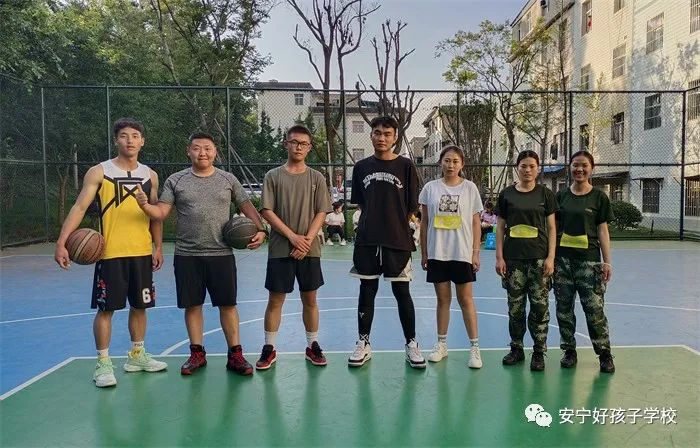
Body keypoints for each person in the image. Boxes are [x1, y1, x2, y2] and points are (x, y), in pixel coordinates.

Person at [134, 132, 266, 376]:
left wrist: (261, 229)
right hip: (187, 255)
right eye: (196, 148)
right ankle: (197, 354)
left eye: (207, 148)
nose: (202, 152)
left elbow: (246, 205)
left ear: (215, 152)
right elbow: (161, 213)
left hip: (221, 254)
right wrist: (144, 205)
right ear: (189, 151)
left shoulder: (228, 179)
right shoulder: (176, 180)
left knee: (228, 305)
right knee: (193, 306)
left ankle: (235, 355)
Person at [54, 118, 166, 388]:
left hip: (141, 252)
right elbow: (80, 207)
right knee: (107, 310)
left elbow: (155, 216)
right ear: (116, 140)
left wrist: (158, 247)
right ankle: (103, 363)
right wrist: (62, 242)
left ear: (142, 141)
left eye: (135, 135)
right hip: (110, 253)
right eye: (124, 135)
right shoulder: (99, 172)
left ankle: (136, 356)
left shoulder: (150, 175)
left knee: (140, 306)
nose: (130, 140)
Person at [347, 116, 425, 369]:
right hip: (368, 240)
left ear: (395, 137)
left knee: (402, 292)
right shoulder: (361, 167)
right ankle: (363, 343)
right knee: (366, 290)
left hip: (397, 240)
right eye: (377, 133)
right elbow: (361, 203)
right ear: (371, 135)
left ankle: (411, 344)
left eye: (387, 133)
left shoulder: (406, 166)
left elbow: (411, 206)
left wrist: (395, 224)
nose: (382, 138)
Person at [255, 125, 332, 370]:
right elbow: (267, 210)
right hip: (281, 249)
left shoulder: (317, 177)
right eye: (294, 142)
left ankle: (312, 345)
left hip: (309, 249)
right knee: (275, 300)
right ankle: (269, 347)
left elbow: (322, 211)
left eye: (304, 144)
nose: (299, 147)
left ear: (309, 148)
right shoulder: (273, 176)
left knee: (310, 299)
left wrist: (306, 240)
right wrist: (293, 237)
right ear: (286, 144)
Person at [419, 146, 483, 369]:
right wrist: (424, 252)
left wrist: (475, 252)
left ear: (462, 164)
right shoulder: (430, 188)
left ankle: (474, 348)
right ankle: (441, 345)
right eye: (447, 160)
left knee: (466, 300)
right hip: (437, 252)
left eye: (455, 161)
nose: (451, 165)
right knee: (443, 300)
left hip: (462, 252)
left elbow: (476, 222)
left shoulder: (470, 188)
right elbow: (424, 222)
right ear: (441, 163)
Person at [554, 151, 615, 373]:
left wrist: (607, 262)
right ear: (570, 168)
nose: (579, 169)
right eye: (575, 165)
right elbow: (553, 229)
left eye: (584, 165)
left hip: (589, 263)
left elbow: (603, 230)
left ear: (591, 168)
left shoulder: (599, 197)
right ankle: (569, 351)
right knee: (564, 310)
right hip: (562, 262)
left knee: (594, 310)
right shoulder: (560, 196)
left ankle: (604, 354)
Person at [495, 150, 557, 371]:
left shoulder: (546, 195)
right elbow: (500, 227)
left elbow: (552, 228)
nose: (528, 170)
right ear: (517, 168)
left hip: (539, 260)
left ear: (538, 169)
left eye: (532, 166)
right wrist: (500, 257)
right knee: (515, 308)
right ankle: (516, 348)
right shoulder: (507, 194)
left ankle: (538, 352)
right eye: (523, 166)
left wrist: (551, 257)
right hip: (513, 261)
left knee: (540, 308)